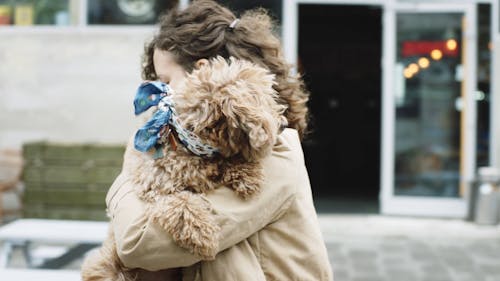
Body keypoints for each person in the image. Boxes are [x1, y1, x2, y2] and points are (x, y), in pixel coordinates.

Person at [105, 0, 333, 280]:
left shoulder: (268, 150)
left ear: (201, 70)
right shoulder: (193, 148)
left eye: (166, 81)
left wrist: (133, 166)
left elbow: (139, 244)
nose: (159, 96)